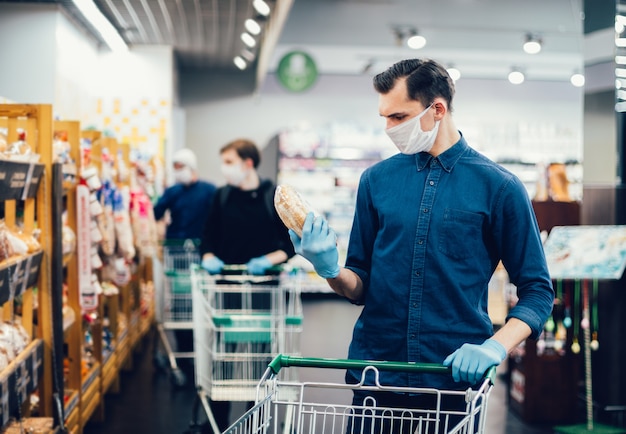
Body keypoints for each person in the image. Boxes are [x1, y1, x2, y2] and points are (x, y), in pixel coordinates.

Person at [289, 58, 554, 432]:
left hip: (450, 385)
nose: (388, 129)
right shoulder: (375, 181)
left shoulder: (500, 188)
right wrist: (331, 270)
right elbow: (360, 284)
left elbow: (537, 290)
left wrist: (496, 346)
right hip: (376, 377)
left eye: (398, 117)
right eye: (384, 117)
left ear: (438, 109)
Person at [199, 138, 296, 431]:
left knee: (260, 361)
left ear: (248, 163)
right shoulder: (221, 196)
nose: (224, 169)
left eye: (229, 162)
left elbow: (289, 246)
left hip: (264, 290)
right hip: (227, 289)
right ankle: (217, 422)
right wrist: (208, 257)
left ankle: (255, 422)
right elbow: (208, 239)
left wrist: (267, 260)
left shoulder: (272, 196)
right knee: (223, 357)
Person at [153, 148, 216, 354]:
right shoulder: (173, 191)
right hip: (176, 250)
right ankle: (183, 347)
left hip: (201, 250)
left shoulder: (209, 190)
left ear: (191, 167)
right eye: (175, 168)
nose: (178, 172)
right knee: (180, 297)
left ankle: (201, 345)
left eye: (181, 167)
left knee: (200, 296)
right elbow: (157, 211)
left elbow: (218, 217)